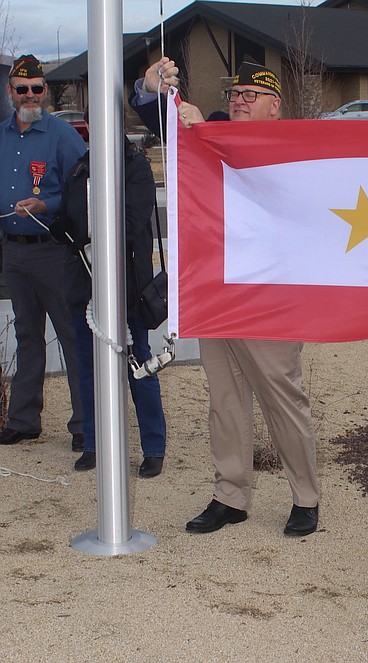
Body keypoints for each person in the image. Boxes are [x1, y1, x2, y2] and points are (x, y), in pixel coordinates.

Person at [129, 57, 319, 536]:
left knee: (283, 399)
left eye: (250, 96)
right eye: (235, 94)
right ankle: (230, 496)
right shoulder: (210, 130)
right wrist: (151, 90)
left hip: (271, 297)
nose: (238, 100)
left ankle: (305, 498)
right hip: (217, 291)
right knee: (225, 400)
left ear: (275, 106)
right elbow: (164, 120)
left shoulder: (295, 149)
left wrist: (204, 128)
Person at [50, 108, 167, 477]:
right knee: (87, 366)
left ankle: (153, 446)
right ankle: (93, 443)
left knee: (139, 365)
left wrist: (85, 232)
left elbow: (130, 223)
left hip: (126, 287)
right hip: (83, 286)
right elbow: (67, 216)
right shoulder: (78, 170)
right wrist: (61, 227)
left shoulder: (135, 169)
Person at [0, 54, 85, 451]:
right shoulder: (1, 135)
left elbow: (82, 190)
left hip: (53, 251)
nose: (30, 95)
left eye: (37, 88)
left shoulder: (63, 136)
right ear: (10, 92)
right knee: (27, 334)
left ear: (45, 91)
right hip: (14, 253)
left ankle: (86, 424)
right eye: (22, 89)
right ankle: (23, 420)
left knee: (71, 336)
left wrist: (45, 205)